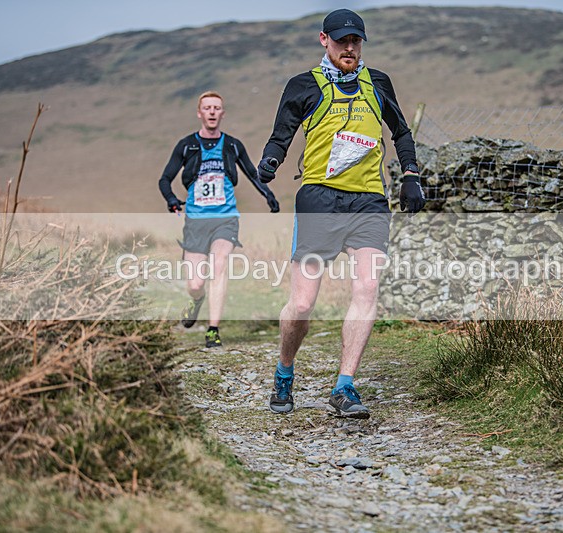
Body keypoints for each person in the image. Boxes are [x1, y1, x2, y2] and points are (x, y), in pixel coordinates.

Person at [256, 9, 425, 418]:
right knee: (301, 305)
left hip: (368, 200)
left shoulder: (378, 83)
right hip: (319, 199)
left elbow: (400, 131)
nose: (349, 47)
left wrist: (411, 174)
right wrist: (269, 162)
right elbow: (283, 132)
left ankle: (345, 386)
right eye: (341, 40)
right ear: (324, 40)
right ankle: (284, 370)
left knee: (366, 290)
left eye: (356, 41)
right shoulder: (303, 85)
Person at [159, 90, 279, 348]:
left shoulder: (233, 145)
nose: (212, 112)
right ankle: (196, 300)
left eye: (217, 108)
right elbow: (164, 179)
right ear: (200, 113)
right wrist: (171, 200)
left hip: (226, 219)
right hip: (195, 221)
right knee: (195, 283)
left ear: (222, 114)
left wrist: (269, 196)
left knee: (219, 265)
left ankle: (213, 329)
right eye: (207, 108)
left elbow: (252, 174)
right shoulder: (186, 145)